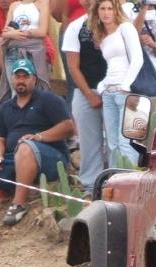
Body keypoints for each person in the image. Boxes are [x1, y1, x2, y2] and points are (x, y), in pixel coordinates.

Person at [0, 58, 73, 231]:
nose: (21, 80)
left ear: (34, 79)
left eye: (25, 76)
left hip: (51, 157)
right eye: (17, 77)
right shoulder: (5, 108)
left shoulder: (49, 100)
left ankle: (19, 204)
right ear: (12, 79)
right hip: (14, 158)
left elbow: (68, 127)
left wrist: (39, 137)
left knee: (25, 147)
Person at [90, 0, 143, 167]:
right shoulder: (103, 35)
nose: (106, 13)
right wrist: (102, 85)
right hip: (110, 92)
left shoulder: (125, 28)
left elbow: (137, 59)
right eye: (103, 9)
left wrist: (126, 85)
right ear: (97, 12)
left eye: (110, 8)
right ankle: (113, 183)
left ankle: (130, 181)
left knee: (127, 142)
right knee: (112, 145)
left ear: (116, 10)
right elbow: (113, 65)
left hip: (127, 92)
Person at [62, 0, 107, 195]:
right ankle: (90, 187)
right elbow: (73, 66)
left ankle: (118, 183)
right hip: (85, 90)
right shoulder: (76, 26)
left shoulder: (118, 24)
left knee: (117, 143)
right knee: (89, 143)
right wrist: (89, 94)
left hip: (116, 91)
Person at [0, 0, 53, 102]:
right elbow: (5, 33)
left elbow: (42, 32)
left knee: (34, 90)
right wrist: (11, 34)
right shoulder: (14, 5)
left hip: (33, 51)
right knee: (16, 90)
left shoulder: (43, 3)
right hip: (13, 51)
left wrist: (19, 33)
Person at [51, 0, 87, 111]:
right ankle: (71, 123)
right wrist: (68, 31)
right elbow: (60, 14)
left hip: (94, 35)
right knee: (73, 83)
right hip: (70, 34)